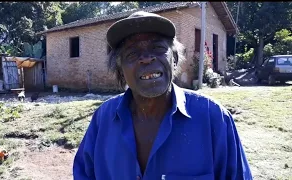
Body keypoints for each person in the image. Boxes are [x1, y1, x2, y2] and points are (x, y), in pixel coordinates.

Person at [73, 11, 252, 180]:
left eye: (158, 47)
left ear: (174, 59)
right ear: (120, 70)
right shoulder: (102, 119)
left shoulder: (215, 119)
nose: (146, 58)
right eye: (133, 53)